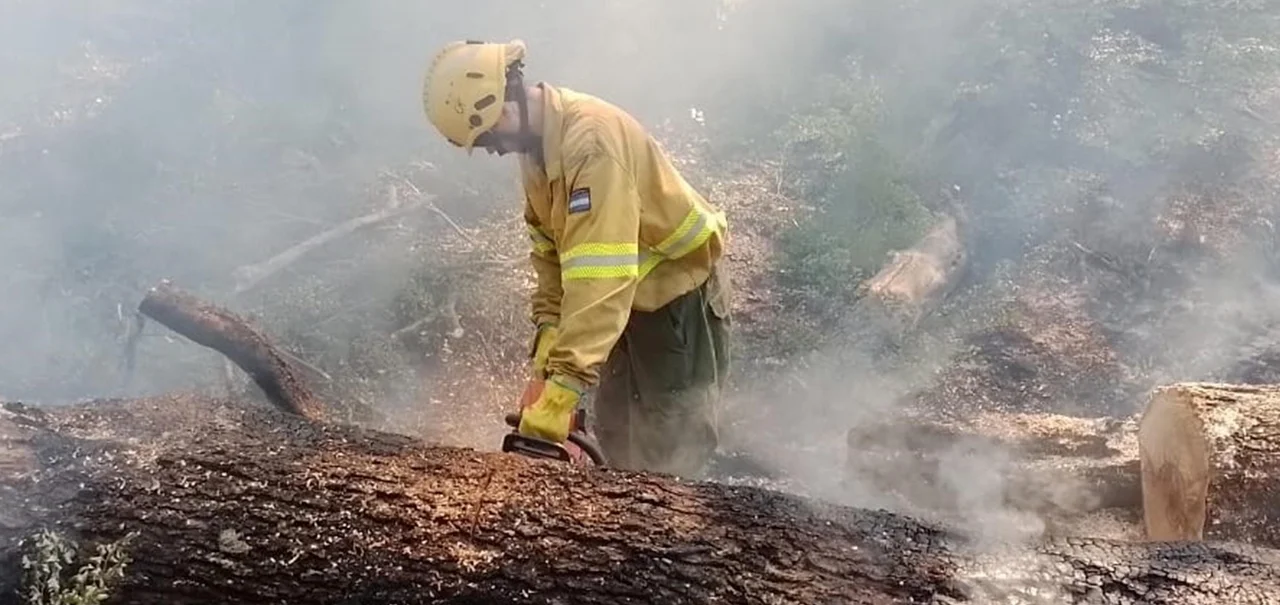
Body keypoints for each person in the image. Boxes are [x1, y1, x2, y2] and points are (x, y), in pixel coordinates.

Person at [420, 39, 732, 478]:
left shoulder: (590, 143)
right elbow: (549, 252)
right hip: (622, 306)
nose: (494, 150)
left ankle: (665, 539)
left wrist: (564, 384)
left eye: (489, 138)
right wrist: (548, 334)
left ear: (503, 110)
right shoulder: (538, 152)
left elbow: (603, 276)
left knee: (669, 443)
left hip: (675, 297)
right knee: (617, 428)